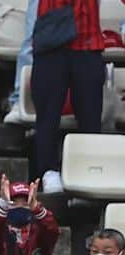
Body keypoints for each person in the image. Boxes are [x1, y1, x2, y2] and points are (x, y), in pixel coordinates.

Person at [31, 0, 103, 194]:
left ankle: (92, 171)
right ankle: (48, 171)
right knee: (47, 115)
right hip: (51, 37)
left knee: (91, 117)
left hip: (88, 41)